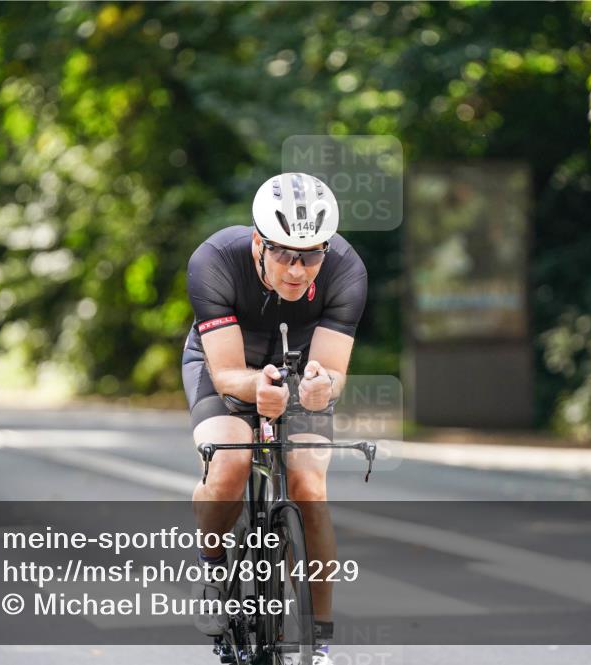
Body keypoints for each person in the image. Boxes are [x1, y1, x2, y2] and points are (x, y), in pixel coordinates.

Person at [184, 173, 367, 665]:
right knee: (227, 468)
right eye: (284, 253)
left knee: (309, 486)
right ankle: (213, 569)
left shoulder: (346, 269)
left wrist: (321, 386)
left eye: (311, 255)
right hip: (224, 363)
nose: (297, 269)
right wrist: (255, 388)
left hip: (299, 361)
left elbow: (333, 370)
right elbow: (224, 373)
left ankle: (320, 639)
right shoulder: (214, 260)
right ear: (258, 243)